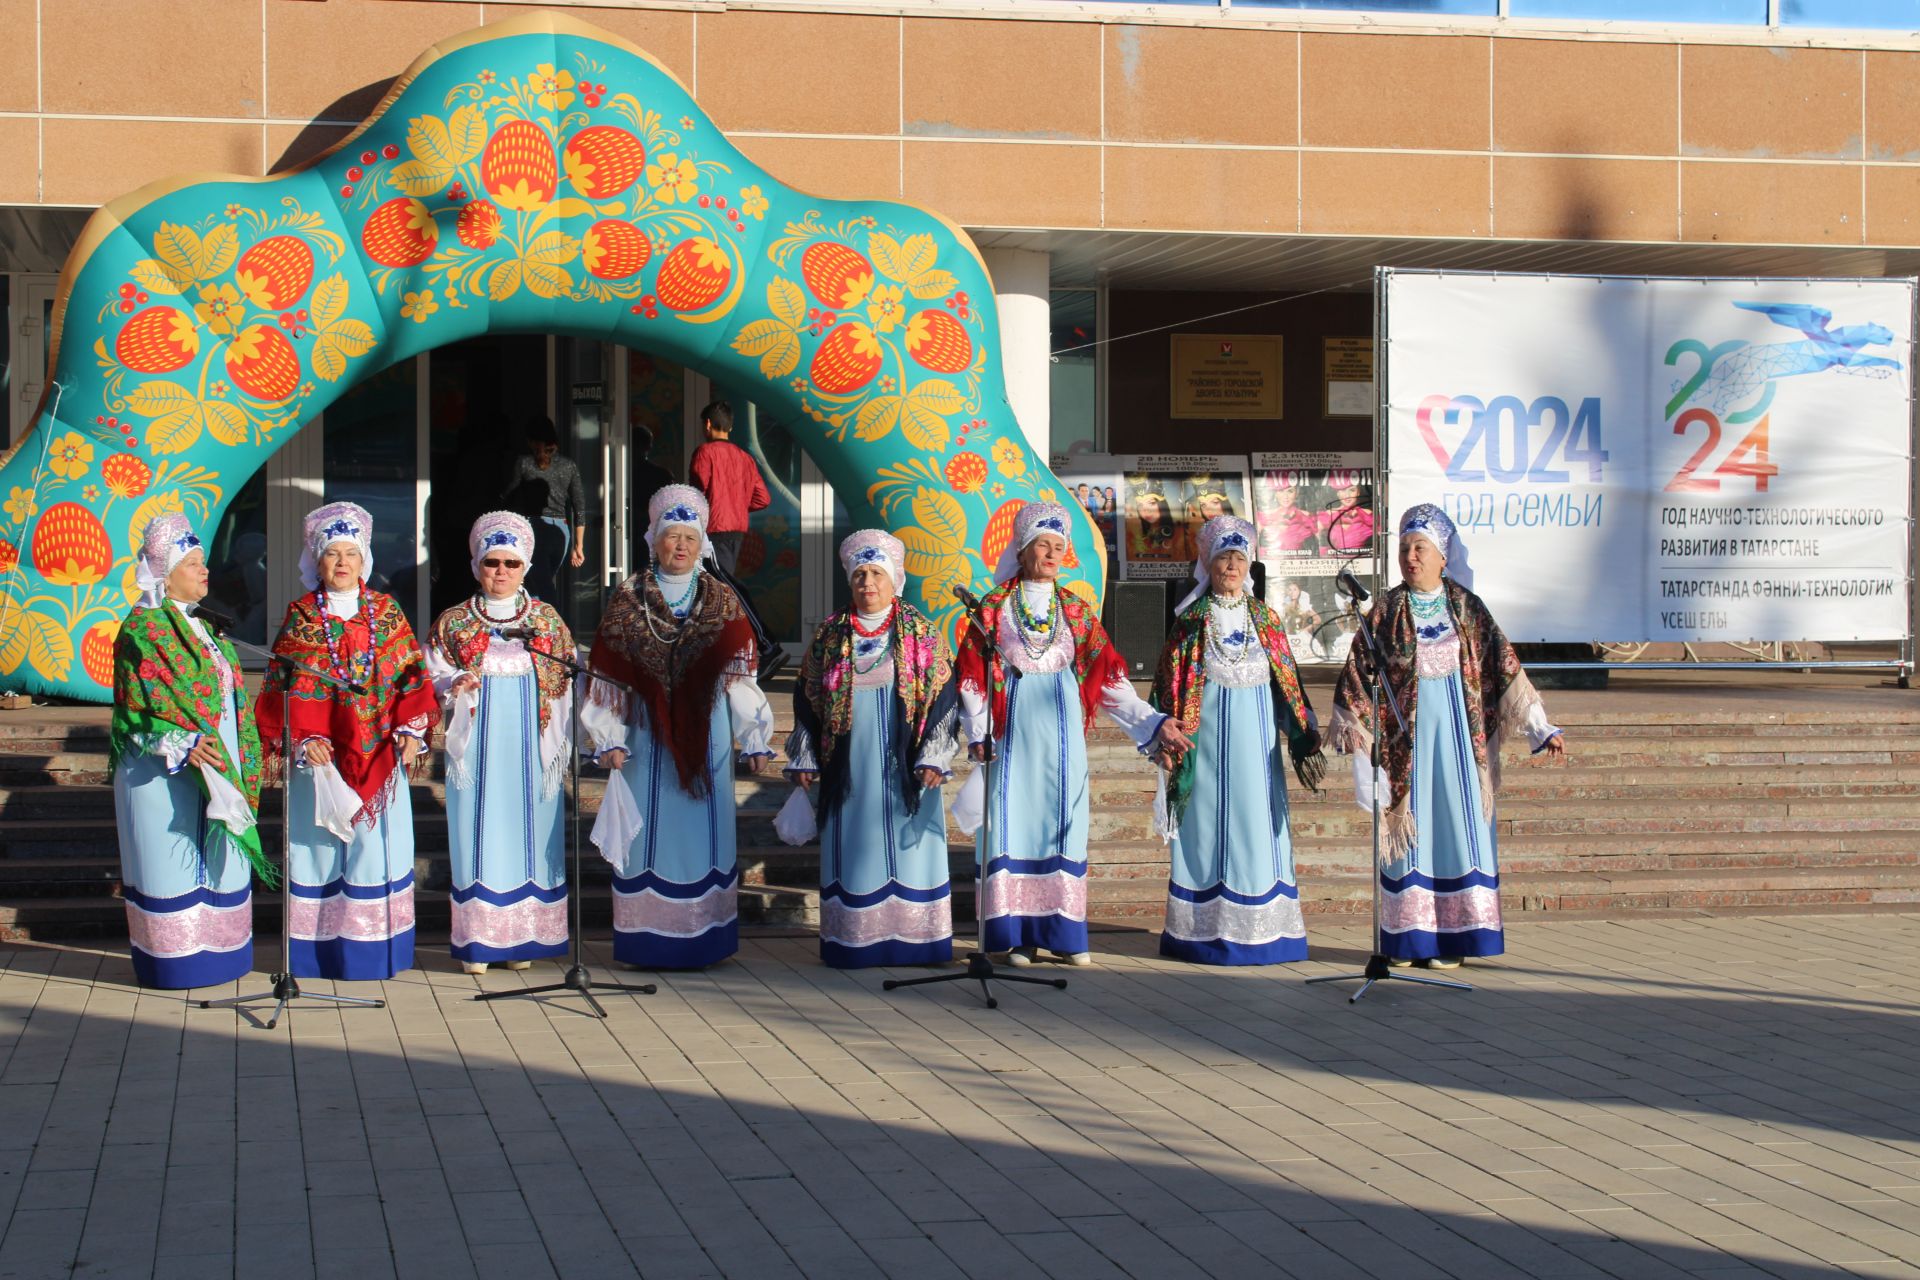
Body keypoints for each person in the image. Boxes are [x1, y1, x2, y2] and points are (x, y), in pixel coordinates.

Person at [953, 502, 1192, 966]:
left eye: (1058, 546)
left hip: (1063, 748)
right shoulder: (994, 610)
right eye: (1042, 544)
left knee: (1064, 829)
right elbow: (971, 679)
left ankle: (1064, 935)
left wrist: (1154, 721)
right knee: (1011, 828)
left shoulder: (1077, 614)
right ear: (1021, 551)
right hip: (1012, 743)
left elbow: (1109, 683)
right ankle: (1014, 936)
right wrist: (979, 732)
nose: (1051, 553)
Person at [1328, 504, 1566, 969]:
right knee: (1411, 831)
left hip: (1459, 743)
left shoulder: (1467, 609)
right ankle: (1405, 937)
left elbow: (1505, 666)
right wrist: (1355, 732)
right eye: (1403, 549)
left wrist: (1541, 727)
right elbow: (1356, 677)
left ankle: (1455, 936)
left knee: (1456, 827)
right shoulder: (1385, 612)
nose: (1410, 557)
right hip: (1407, 747)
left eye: (1420, 548)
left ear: (1443, 556)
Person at [584, 485, 776, 968]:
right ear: (655, 540)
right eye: (672, 537)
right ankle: (648, 938)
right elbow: (608, 676)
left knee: (703, 832)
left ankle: (703, 939)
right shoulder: (629, 597)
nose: (681, 547)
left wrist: (754, 736)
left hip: (706, 733)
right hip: (645, 738)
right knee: (650, 834)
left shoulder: (723, 600)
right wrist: (607, 737)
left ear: (702, 542)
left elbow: (740, 676)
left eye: (690, 537)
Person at [256, 502, 438, 980]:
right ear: (315, 562)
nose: (341, 562)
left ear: (365, 561)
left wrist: (409, 729)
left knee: (374, 850)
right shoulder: (300, 618)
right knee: (318, 849)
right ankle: (317, 957)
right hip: (319, 759)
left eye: (350, 553)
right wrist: (304, 737)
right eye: (331, 553)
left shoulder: (386, 611)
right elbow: (280, 688)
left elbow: (411, 677)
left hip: (379, 751)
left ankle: (372, 955)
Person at [781, 531, 960, 968]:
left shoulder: (921, 631)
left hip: (906, 763)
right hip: (850, 763)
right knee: (854, 844)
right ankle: (856, 941)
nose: (867, 583)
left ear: (895, 579)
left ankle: (917, 942)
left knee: (908, 848)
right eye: (860, 574)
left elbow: (942, 695)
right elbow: (807, 697)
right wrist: (804, 754)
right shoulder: (830, 633)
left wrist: (935, 755)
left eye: (876, 573)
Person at [1150, 517, 1324, 965]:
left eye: (1238, 557)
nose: (1230, 565)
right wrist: (1166, 742)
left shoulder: (1265, 618)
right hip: (1203, 749)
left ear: (1249, 566)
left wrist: (1304, 730)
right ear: (1206, 564)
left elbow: (1287, 681)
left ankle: (1268, 932)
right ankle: (1202, 933)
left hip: (1256, 749)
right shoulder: (1190, 621)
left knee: (1256, 824)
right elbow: (1169, 687)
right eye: (1223, 556)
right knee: (1205, 826)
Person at [110, 515, 271, 989]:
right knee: (173, 856)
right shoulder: (144, 629)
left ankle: (223, 957)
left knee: (218, 856)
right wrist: (182, 741)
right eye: (194, 564)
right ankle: (176, 963)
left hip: (216, 758)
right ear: (165, 573)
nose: (205, 572)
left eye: (204, 563)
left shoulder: (208, 629)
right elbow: (140, 705)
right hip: (163, 766)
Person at [426, 512, 577, 975]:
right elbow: (429, 674)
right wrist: (455, 680)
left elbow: (569, 675)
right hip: (477, 749)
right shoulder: (454, 622)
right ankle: (480, 939)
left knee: (531, 832)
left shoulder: (547, 621)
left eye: (512, 562)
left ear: (527, 565)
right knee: (478, 831)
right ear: (476, 564)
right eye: (492, 561)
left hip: (532, 750)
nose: (501, 572)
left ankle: (525, 939)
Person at [504, 416, 587, 605]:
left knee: (539, 585)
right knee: (541, 582)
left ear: (530, 440)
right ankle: (540, 627)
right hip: (560, 532)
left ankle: (551, 625)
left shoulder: (524, 463)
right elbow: (579, 506)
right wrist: (578, 545)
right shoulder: (569, 465)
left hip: (531, 528)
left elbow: (510, 494)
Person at [688, 400, 769, 576]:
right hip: (737, 530)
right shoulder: (745, 458)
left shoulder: (705, 452)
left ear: (708, 424)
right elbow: (763, 498)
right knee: (725, 578)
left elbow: (696, 492)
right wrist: (737, 505)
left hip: (712, 527)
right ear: (730, 428)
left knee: (716, 584)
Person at [630, 421, 676, 561]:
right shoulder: (662, 475)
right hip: (652, 529)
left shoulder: (623, 473)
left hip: (634, 528)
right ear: (649, 446)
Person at [1127, 488, 1191, 565]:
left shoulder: (1179, 532)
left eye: (1151, 503)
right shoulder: (1137, 534)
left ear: (1162, 504)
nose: (1146, 510)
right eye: (1140, 505)